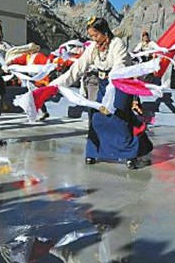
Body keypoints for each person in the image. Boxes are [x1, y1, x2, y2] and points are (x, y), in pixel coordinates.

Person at [51, 17, 152, 169]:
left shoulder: (117, 44)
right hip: (104, 85)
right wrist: (54, 85)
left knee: (119, 117)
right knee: (97, 117)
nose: (94, 39)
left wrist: (112, 85)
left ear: (105, 32)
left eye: (96, 35)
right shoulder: (93, 48)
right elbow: (77, 68)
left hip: (120, 84)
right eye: (91, 36)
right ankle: (94, 151)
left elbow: (119, 64)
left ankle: (130, 156)